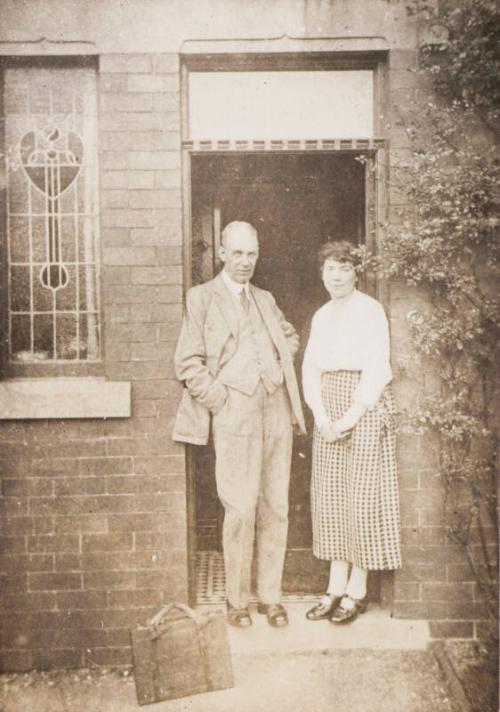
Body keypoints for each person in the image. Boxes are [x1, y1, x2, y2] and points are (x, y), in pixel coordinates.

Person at [173, 221, 306, 628]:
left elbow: (289, 336)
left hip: (276, 411)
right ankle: (237, 600)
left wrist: (281, 362)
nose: (245, 261)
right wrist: (220, 400)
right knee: (240, 508)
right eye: (237, 253)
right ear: (222, 253)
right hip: (236, 415)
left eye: (252, 254)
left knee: (275, 507)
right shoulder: (202, 298)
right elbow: (187, 363)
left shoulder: (265, 298)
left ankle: (270, 597)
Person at [302, 240, 401, 624]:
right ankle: (334, 586)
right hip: (329, 408)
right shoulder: (322, 315)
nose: (337, 275)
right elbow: (311, 368)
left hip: (363, 406)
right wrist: (322, 417)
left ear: (356, 272)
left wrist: (349, 417)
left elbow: (377, 366)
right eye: (330, 268)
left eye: (344, 267)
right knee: (330, 498)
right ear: (322, 274)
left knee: (360, 496)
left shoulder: (370, 310)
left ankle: (356, 591)